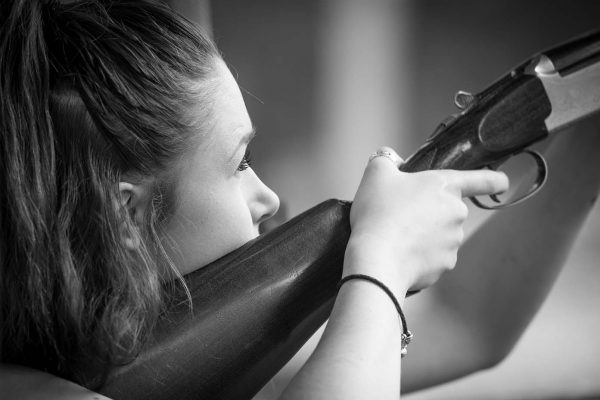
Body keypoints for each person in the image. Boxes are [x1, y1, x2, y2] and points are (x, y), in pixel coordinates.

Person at [1, 1, 599, 399]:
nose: (269, 197)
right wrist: (381, 267)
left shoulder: (149, 359)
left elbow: (470, 330)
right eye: (239, 164)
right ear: (124, 215)